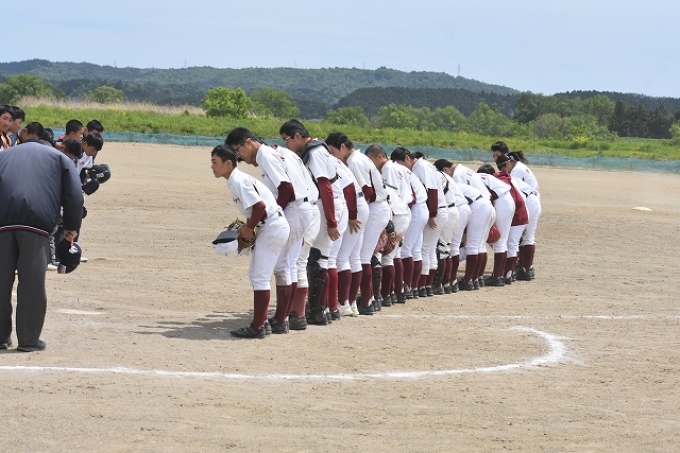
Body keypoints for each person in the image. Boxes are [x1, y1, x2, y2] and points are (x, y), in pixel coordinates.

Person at [224, 127, 314, 333]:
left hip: (293, 208)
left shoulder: (265, 155)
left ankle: (281, 320)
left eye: (238, 150)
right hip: (302, 207)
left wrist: (273, 217)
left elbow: (286, 188)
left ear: (248, 142)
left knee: (283, 266)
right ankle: (283, 318)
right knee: (288, 265)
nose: (239, 156)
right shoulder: (278, 151)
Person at [0, 139, 84, 351]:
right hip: (35, 225)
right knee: (32, 284)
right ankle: (28, 340)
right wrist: (72, 228)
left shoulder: (4, 155)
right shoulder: (60, 158)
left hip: (2, 224)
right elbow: (75, 195)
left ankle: (0, 337)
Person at [210, 144, 290, 339]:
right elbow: (256, 208)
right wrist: (249, 227)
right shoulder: (236, 179)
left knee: (260, 277)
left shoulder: (239, 181)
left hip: (272, 226)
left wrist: (248, 229)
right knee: (255, 274)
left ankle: (258, 326)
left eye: (215, 162)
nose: (212, 167)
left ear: (228, 164)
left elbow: (260, 207)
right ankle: (264, 323)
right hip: (272, 226)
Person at [279, 120, 344, 325]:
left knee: (317, 261)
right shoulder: (317, 148)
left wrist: (332, 222)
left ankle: (316, 312)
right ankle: (320, 310)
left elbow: (325, 186)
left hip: (328, 205)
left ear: (298, 136)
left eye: (287, 140)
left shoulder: (314, 152)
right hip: (329, 204)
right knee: (318, 259)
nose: (286, 144)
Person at [326, 133, 390, 313]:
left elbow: (366, 191)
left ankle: (359, 301)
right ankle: (355, 302)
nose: (332, 155)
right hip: (373, 207)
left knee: (353, 257)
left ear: (342, 146)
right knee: (357, 257)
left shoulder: (354, 161)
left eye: (333, 151)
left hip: (371, 207)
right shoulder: (359, 158)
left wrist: (354, 214)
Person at [365, 144, 412, 304]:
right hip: (403, 211)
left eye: (371, 160)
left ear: (379, 156)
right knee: (393, 256)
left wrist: (389, 220)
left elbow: (387, 194)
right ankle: (392, 293)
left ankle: (379, 296)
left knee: (380, 256)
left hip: (395, 212)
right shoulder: (398, 167)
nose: (371, 164)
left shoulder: (387, 168)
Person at [492, 142, 541, 280]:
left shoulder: (516, 171)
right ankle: (525, 267)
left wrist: (521, 218)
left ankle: (524, 268)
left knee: (522, 237)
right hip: (532, 201)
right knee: (523, 238)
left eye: (497, 156)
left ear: (507, 159)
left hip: (528, 202)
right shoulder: (517, 166)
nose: (495, 159)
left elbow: (517, 196)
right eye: (494, 156)